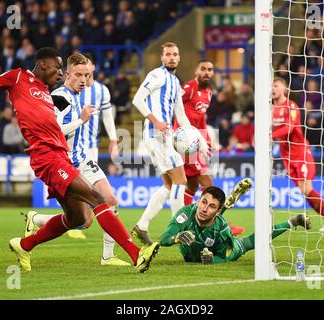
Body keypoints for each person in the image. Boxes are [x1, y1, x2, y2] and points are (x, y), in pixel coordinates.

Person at [0, 32, 159, 273]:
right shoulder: (18, 77)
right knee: (100, 199)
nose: (60, 73)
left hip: (60, 158)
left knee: (78, 219)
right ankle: (136, 255)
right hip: (48, 158)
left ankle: (24, 244)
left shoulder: (49, 96)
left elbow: (53, 127)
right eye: (58, 68)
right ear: (43, 64)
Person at [23, 53, 129, 266]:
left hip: (83, 157)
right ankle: (36, 221)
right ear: (68, 74)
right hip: (65, 163)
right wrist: (81, 121)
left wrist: (113, 138)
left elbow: (105, 116)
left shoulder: (87, 92)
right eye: (79, 75)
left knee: (110, 200)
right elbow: (54, 131)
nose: (84, 79)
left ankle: (108, 256)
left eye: (87, 75)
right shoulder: (59, 97)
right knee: (82, 221)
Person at [130, 42, 193, 245]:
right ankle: (180, 228)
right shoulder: (156, 75)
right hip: (156, 134)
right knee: (180, 180)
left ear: (179, 58)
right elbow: (138, 99)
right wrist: (155, 121)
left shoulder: (175, 82)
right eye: (168, 54)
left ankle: (142, 225)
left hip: (165, 136)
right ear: (162, 57)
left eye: (175, 54)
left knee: (169, 184)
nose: (172, 57)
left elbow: (181, 114)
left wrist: (197, 137)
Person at [172, 59, 243, 235]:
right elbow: (173, 106)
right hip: (185, 141)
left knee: (192, 187)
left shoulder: (209, 92)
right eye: (203, 69)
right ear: (196, 71)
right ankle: (220, 222)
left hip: (196, 141)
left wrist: (207, 140)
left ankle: (187, 223)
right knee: (207, 182)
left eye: (210, 69)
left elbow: (202, 118)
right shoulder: (188, 88)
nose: (207, 72)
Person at [159, 186, 311, 264]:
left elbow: (224, 258)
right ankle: (226, 203)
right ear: (198, 201)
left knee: (249, 242)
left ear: (219, 211)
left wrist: (212, 260)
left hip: (223, 247)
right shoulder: (186, 213)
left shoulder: (223, 230)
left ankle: (293, 221)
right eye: (203, 202)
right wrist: (176, 238)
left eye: (211, 206)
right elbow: (164, 238)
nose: (204, 209)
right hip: (190, 255)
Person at [272, 77, 324, 232]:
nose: (273, 88)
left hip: (300, 151)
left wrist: (269, 135)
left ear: (285, 89)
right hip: (286, 154)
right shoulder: (269, 109)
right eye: (272, 86)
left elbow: (289, 128)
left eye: (276, 85)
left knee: (307, 188)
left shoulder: (291, 106)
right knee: (304, 191)